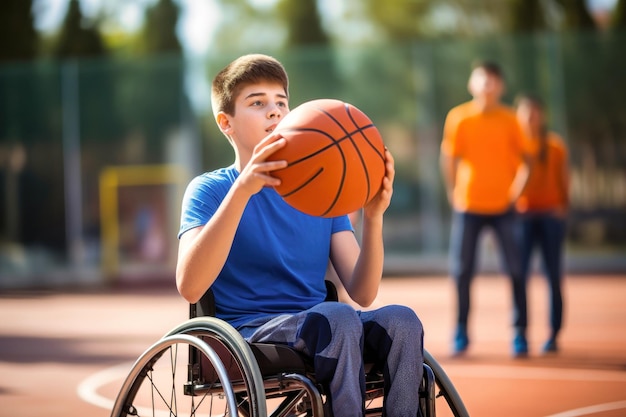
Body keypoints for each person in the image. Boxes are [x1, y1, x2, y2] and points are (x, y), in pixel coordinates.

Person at [175, 54, 424, 417]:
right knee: (336, 318)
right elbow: (190, 286)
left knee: (402, 320)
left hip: (323, 325)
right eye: (257, 103)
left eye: (281, 102)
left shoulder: (322, 191)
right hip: (250, 334)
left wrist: (373, 217)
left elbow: (364, 292)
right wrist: (243, 191)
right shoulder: (210, 190)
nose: (274, 112)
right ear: (225, 122)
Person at [439, 60, 532, 358]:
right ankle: (461, 331)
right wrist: (453, 191)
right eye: (481, 78)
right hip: (469, 206)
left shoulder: (511, 119)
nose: (487, 84)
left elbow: (526, 163)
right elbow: (448, 157)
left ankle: (520, 332)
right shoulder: (459, 118)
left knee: (516, 270)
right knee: (462, 271)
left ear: (500, 86)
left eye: (493, 79)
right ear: (471, 83)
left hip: (504, 207)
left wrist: (515, 193)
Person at [515, 93, 569, 354]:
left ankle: (554, 333)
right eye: (525, 112)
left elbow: (564, 181)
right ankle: (521, 333)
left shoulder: (556, 147)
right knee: (519, 275)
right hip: (523, 216)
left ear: (542, 115)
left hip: (549, 216)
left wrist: (562, 208)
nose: (530, 117)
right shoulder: (514, 146)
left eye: (534, 111)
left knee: (553, 275)